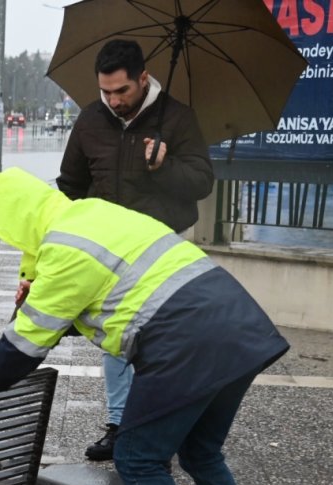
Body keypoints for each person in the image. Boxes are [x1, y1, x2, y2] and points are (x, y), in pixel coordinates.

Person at [0, 168, 288, 485]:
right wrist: (46, 295)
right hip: (239, 328)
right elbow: (114, 298)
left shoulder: (64, 250)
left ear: (16, 221)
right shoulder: (94, 214)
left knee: (138, 458)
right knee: (202, 452)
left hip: (183, 340)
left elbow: (27, 340)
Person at [54, 38, 214, 462]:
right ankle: (120, 426)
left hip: (162, 250)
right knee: (117, 338)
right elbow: (69, 187)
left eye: (121, 90)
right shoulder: (90, 120)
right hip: (110, 253)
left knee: (160, 342)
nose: (113, 100)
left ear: (143, 78)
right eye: (105, 91)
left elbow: (202, 182)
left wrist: (165, 166)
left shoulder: (178, 118)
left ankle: (161, 425)